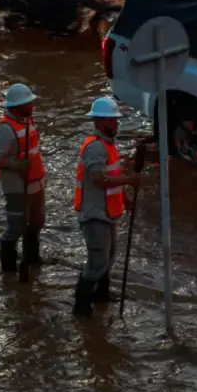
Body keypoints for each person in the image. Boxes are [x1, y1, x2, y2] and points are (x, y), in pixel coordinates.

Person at [72, 97, 143, 317]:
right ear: (101, 121)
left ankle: (101, 296)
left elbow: (111, 175)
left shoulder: (108, 145)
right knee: (97, 262)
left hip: (108, 212)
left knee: (109, 256)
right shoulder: (95, 147)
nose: (117, 124)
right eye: (113, 121)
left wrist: (124, 198)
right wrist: (129, 181)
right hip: (95, 214)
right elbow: (97, 179)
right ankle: (81, 307)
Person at [0, 83, 46, 282]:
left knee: (36, 223)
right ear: (16, 106)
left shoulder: (27, 120)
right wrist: (16, 164)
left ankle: (32, 261)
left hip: (35, 181)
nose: (32, 105)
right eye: (28, 103)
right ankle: (9, 270)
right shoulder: (4, 129)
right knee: (15, 227)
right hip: (17, 186)